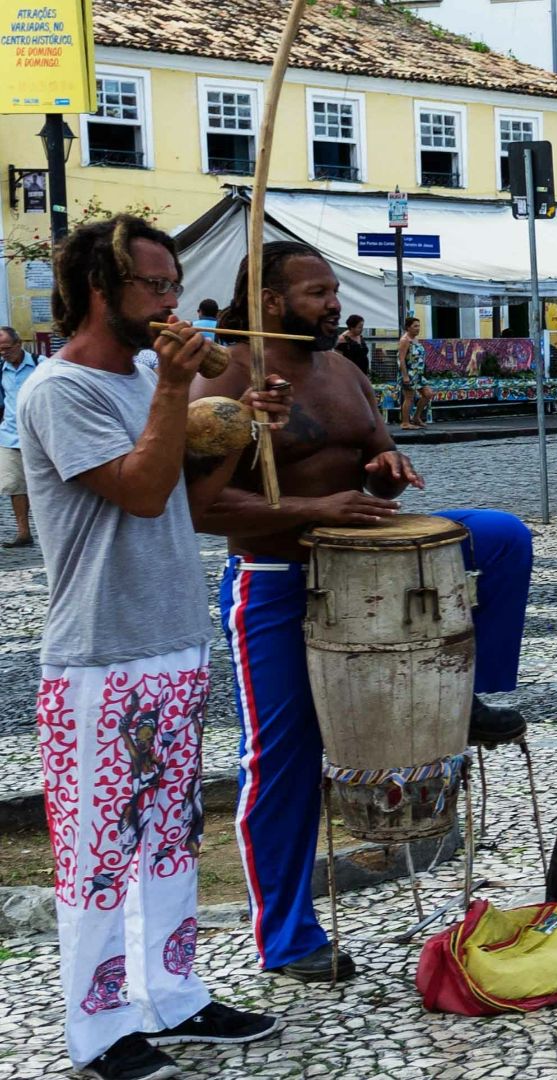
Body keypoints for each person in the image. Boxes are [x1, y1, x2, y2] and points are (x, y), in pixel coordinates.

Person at [191, 242, 534, 983]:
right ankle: (286, 936)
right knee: (281, 760)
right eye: (317, 292)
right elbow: (201, 507)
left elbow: (380, 463)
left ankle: (473, 696)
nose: (333, 304)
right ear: (272, 299)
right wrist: (316, 505)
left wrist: (388, 469)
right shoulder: (225, 373)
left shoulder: (344, 369)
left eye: (334, 289)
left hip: (370, 558)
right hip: (279, 577)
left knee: (502, 538)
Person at [18, 215, 290, 1080]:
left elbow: (185, 497)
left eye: (175, 284)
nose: (176, 302)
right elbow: (135, 492)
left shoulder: (143, 372)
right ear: (104, 290)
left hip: (172, 639)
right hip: (97, 657)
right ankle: (98, 1030)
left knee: (169, 840)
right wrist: (176, 392)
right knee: (97, 854)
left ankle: (174, 993)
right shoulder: (59, 392)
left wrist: (245, 427)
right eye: (157, 286)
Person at [1, 326, 39, 547]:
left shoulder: (39, 364)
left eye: (7, 348)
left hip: (37, 435)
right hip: (9, 435)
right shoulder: (1, 370)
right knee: (15, 486)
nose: (4, 353)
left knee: (45, 485)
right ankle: (23, 532)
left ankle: (51, 530)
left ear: (18, 344)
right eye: (0, 350)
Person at [396, 316, 430, 429]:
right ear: (408, 327)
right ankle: (405, 422)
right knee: (409, 397)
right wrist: (405, 376)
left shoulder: (415, 339)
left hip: (418, 373)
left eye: (419, 326)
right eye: (415, 326)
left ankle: (416, 417)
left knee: (428, 394)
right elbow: (401, 359)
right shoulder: (405, 340)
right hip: (409, 373)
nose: (418, 328)